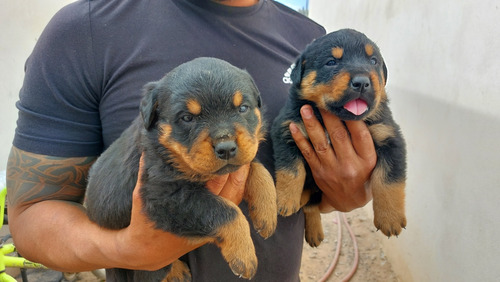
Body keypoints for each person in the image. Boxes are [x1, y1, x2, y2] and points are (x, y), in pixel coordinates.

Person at [6, 0, 376, 281]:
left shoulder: (313, 41)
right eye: (187, 117)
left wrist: (346, 194)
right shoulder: (84, 30)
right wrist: (124, 250)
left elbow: (315, 176)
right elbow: (31, 214)